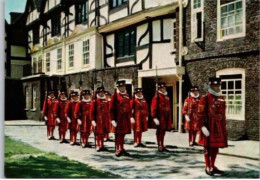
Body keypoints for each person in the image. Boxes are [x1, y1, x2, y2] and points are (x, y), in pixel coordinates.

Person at [197, 77, 228, 176]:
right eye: (215, 86)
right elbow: (200, 114)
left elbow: (223, 114)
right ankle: (207, 166)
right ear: (210, 86)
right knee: (208, 147)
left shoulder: (221, 98)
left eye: (218, 86)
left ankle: (212, 165)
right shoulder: (205, 98)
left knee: (215, 147)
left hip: (218, 127)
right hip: (209, 127)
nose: (217, 88)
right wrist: (202, 127)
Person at [109, 80, 132, 157]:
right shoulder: (115, 96)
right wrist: (112, 119)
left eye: (123, 86)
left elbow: (129, 107)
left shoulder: (127, 95)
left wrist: (131, 116)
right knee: (118, 135)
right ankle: (117, 149)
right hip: (118, 118)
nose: (122, 88)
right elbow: (111, 109)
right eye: (120, 87)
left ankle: (122, 148)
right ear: (118, 87)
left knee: (123, 134)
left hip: (125, 118)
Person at [151, 82, 172, 152]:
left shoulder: (166, 96)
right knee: (159, 131)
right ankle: (159, 145)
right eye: (162, 88)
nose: (164, 89)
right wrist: (154, 117)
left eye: (164, 88)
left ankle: (162, 144)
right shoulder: (157, 97)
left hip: (166, 116)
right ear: (159, 89)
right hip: (160, 116)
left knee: (163, 131)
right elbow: (153, 107)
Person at [90, 87, 110, 152]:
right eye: (100, 92)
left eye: (102, 92)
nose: (101, 94)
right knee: (98, 133)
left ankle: (102, 145)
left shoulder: (106, 101)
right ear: (97, 93)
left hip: (105, 120)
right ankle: (98, 145)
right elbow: (91, 112)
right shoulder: (94, 102)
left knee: (103, 133)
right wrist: (92, 120)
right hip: (98, 120)